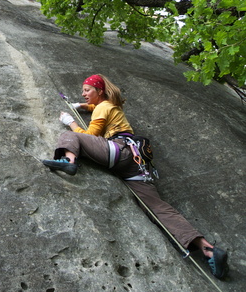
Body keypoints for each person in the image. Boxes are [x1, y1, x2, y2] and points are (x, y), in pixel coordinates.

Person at [42, 74, 229, 279]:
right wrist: (81, 105)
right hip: (136, 164)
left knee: (71, 137)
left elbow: (90, 136)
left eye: (87, 90)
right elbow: (96, 108)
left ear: (100, 91)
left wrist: (70, 122)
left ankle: (69, 162)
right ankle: (208, 249)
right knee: (156, 207)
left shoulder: (104, 107)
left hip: (119, 151)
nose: (83, 93)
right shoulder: (110, 107)